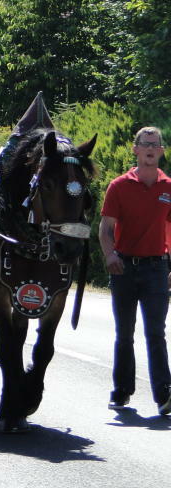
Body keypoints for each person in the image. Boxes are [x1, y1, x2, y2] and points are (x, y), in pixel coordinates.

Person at [99, 126, 171, 415]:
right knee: (125, 333)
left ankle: (164, 393)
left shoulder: (168, 187)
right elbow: (105, 228)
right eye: (146, 144)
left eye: (156, 144)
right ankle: (122, 390)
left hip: (157, 268)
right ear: (136, 149)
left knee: (156, 333)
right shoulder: (119, 186)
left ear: (162, 151)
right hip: (124, 268)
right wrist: (109, 255)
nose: (151, 148)